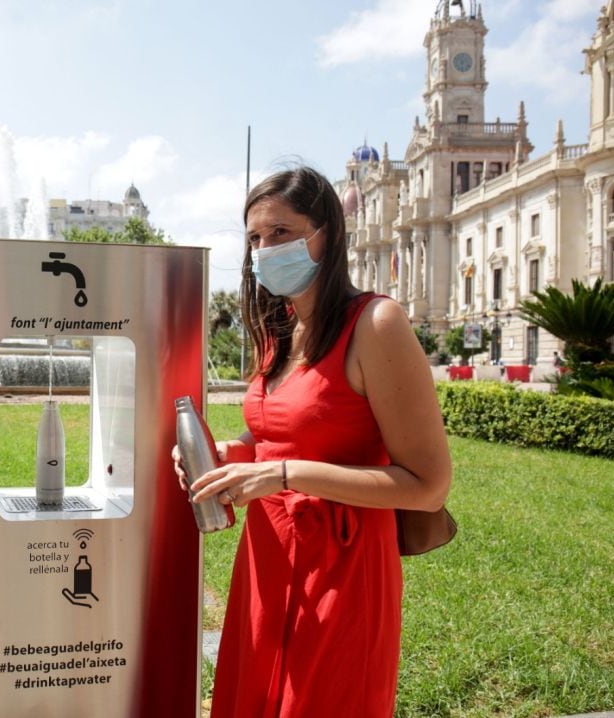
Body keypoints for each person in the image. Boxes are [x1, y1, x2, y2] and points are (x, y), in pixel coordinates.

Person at [177, 166, 451, 717]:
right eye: (254, 238)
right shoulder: (280, 329)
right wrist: (223, 462)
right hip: (269, 556)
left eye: (280, 232)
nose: (264, 249)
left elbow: (427, 486)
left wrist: (283, 476)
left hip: (342, 570)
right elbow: (277, 437)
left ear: (326, 232)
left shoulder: (376, 323)